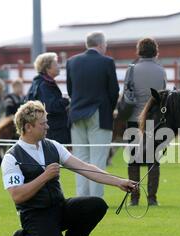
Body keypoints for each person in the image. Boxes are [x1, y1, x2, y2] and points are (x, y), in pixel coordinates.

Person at [1, 101, 136, 236]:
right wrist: (44, 177)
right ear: (28, 127)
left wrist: (119, 182)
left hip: (59, 207)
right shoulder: (11, 158)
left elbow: (85, 168)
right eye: (42, 124)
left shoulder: (53, 146)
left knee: (96, 205)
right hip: (35, 214)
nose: (47, 127)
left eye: (46, 122)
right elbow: (17, 196)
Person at [66, 31, 120, 198]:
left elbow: (70, 90)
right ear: (101, 45)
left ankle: (81, 197)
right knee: (98, 159)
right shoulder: (107, 62)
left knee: (79, 160)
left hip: (76, 113)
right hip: (99, 112)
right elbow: (114, 91)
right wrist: (109, 109)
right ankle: (96, 199)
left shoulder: (71, 62)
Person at [125, 38, 167, 206]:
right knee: (153, 161)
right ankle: (152, 199)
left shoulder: (132, 69)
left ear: (139, 51)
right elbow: (163, 95)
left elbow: (127, 94)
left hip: (134, 119)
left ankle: (134, 198)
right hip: (154, 120)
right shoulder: (160, 70)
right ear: (155, 51)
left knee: (134, 161)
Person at [26, 52, 71, 144]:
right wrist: (66, 101)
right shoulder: (44, 85)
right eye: (55, 64)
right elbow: (50, 106)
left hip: (50, 130)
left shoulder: (42, 83)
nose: (58, 66)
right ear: (47, 68)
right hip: (52, 131)